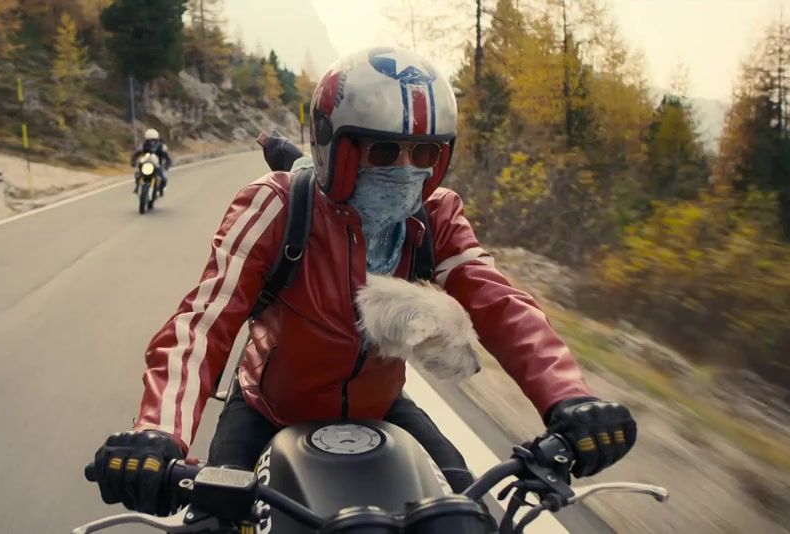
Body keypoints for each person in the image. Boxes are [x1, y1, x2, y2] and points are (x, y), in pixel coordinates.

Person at [91, 46, 638, 518]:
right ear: (335, 147)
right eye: (383, 151)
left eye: (424, 152)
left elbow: (500, 302)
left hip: (382, 408)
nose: (406, 168)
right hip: (266, 410)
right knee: (212, 519)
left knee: (471, 518)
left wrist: (568, 398)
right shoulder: (277, 205)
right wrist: (158, 433)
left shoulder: (436, 216)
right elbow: (203, 322)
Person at [131, 128, 172, 195]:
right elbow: (136, 153)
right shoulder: (143, 145)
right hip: (145, 164)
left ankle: (161, 189)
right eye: (149, 140)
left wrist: (167, 164)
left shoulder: (161, 146)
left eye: (153, 140)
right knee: (137, 175)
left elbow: (167, 156)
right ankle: (137, 187)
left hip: (158, 165)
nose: (151, 142)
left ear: (157, 139)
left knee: (164, 178)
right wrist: (133, 161)